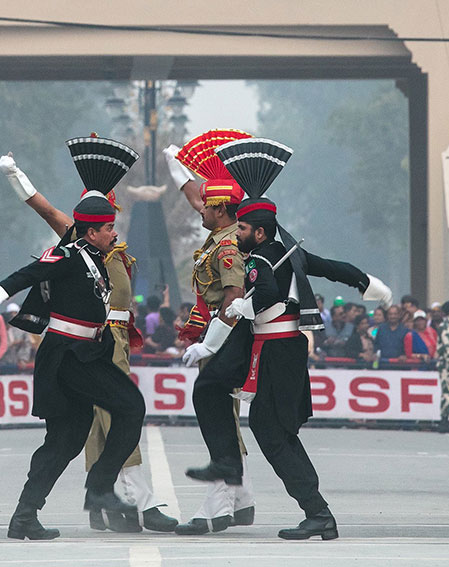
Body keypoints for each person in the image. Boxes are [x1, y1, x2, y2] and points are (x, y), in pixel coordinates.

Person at [185, 136, 392, 541]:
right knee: (219, 394)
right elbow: (332, 267)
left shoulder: (261, 259)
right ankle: (240, 470)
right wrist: (367, 283)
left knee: (273, 433)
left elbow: (261, 296)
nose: (237, 232)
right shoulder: (287, 253)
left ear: (259, 232)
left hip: (277, 350)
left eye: (242, 227)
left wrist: (242, 310)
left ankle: (317, 512)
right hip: (272, 347)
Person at [0, 136, 148, 541]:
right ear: (89, 231)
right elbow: (25, 276)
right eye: (108, 229)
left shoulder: (95, 258)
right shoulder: (68, 256)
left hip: (86, 352)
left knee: (66, 438)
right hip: (68, 355)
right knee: (131, 407)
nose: (113, 234)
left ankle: (24, 515)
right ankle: (101, 489)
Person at [165, 130, 257, 535]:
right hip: (216, 337)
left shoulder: (227, 247)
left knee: (216, 414)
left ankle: (218, 504)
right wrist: (178, 170)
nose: (199, 208)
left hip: (225, 337)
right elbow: (194, 198)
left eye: (207, 204)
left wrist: (211, 342)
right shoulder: (219, 235)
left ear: (221, 209)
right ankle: (242, 496)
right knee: (225, 418)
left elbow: (234, 294)